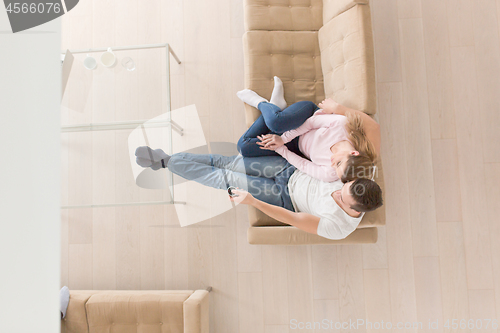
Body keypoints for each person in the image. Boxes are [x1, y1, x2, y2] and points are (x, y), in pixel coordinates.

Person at [135, 147, 383, 240]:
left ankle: (167, 162)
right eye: (343, 187)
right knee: (230, 163)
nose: (337, 192)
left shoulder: (338, 228)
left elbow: (292, 219)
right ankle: (167, 161)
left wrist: (252, 201)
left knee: (228, 178)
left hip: (284, 197)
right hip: (290, 170)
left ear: (355, 210)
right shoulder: (359, 181)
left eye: (342, 198)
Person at [236, 77, 381, 183]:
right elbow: (311, 123)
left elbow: (303, 164)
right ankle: (260, 103)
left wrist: (280, 148)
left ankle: (275, 106)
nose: (332, 163)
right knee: (276, 123)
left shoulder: (331, 174)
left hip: (295, 145)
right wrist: (283, 138)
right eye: (338, 163)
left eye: (336, 168)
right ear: (353, 153)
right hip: (306, 118)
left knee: (244, 147)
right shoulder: (342, 125)